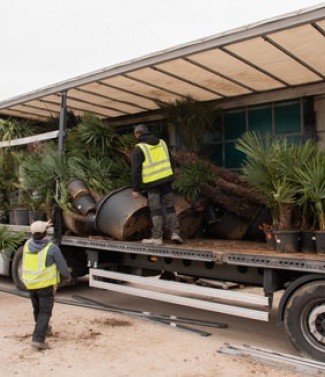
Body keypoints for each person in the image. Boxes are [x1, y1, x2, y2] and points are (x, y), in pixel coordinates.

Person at [22, 220, 72, 350]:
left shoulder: (27, 245)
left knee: (37, 309)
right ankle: (38, 339)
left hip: (31, 285)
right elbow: (62, 265)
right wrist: (67, 277)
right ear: (46, 233)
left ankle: (45, 328)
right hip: (45, 286)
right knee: (45, 312)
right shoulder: (52, 248)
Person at [131, 124, 183, 245]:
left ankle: (157, 237)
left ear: (138, 134)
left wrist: (135, 189)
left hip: (152, 183)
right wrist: (170, 176)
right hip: (166, 181)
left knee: (156, 210)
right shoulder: (162, 143)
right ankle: (175, 233)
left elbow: (136, 170)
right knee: (170, 207)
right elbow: (172, 161)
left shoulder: (139, 148)